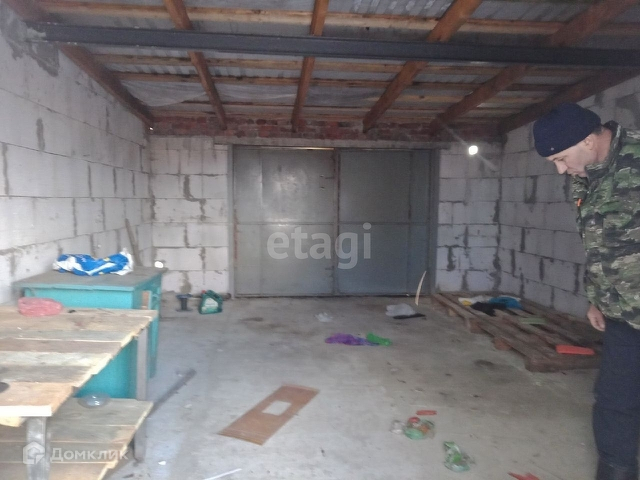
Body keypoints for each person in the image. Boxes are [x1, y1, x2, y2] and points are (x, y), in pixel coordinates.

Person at [533, 103, 640, 480]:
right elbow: (599, 244)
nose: (561, 170)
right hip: (623, 312)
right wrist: (597, 297)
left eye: (561, 159)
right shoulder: (587, 175)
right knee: (614, 401)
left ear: (589, 141)